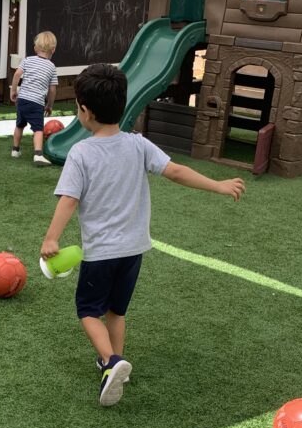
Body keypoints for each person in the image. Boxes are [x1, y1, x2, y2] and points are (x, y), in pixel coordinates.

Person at [40, 63, 245, 408]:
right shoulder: (138, 145)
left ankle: (111, 361)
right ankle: (116, 366)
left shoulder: (81, 152)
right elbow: (176, 172)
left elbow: (69, 200)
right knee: (116, 312)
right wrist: (219, 185)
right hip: (134, 250)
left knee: (88, 310)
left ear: (85, 112)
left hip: (101, 253)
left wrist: (51, 238)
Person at [10, 31, 58, 167]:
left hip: (22, 99)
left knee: (19, 125)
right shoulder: (51, 67)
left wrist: (14, 91)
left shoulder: (28, 60)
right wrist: (49, 105)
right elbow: (53, 89)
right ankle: (38, 154)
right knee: (38, 129)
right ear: (53, 50)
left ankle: (15, 150)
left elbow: (17, 74)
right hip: (36, 102)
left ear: (35, 48)